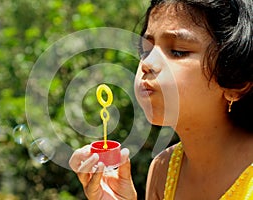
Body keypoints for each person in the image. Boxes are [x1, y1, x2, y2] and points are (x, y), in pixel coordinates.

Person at [69, 0, 253, 199]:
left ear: (238, 83)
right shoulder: (162, 171)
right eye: (145, 50)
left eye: (177, 51)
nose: (147, 63)